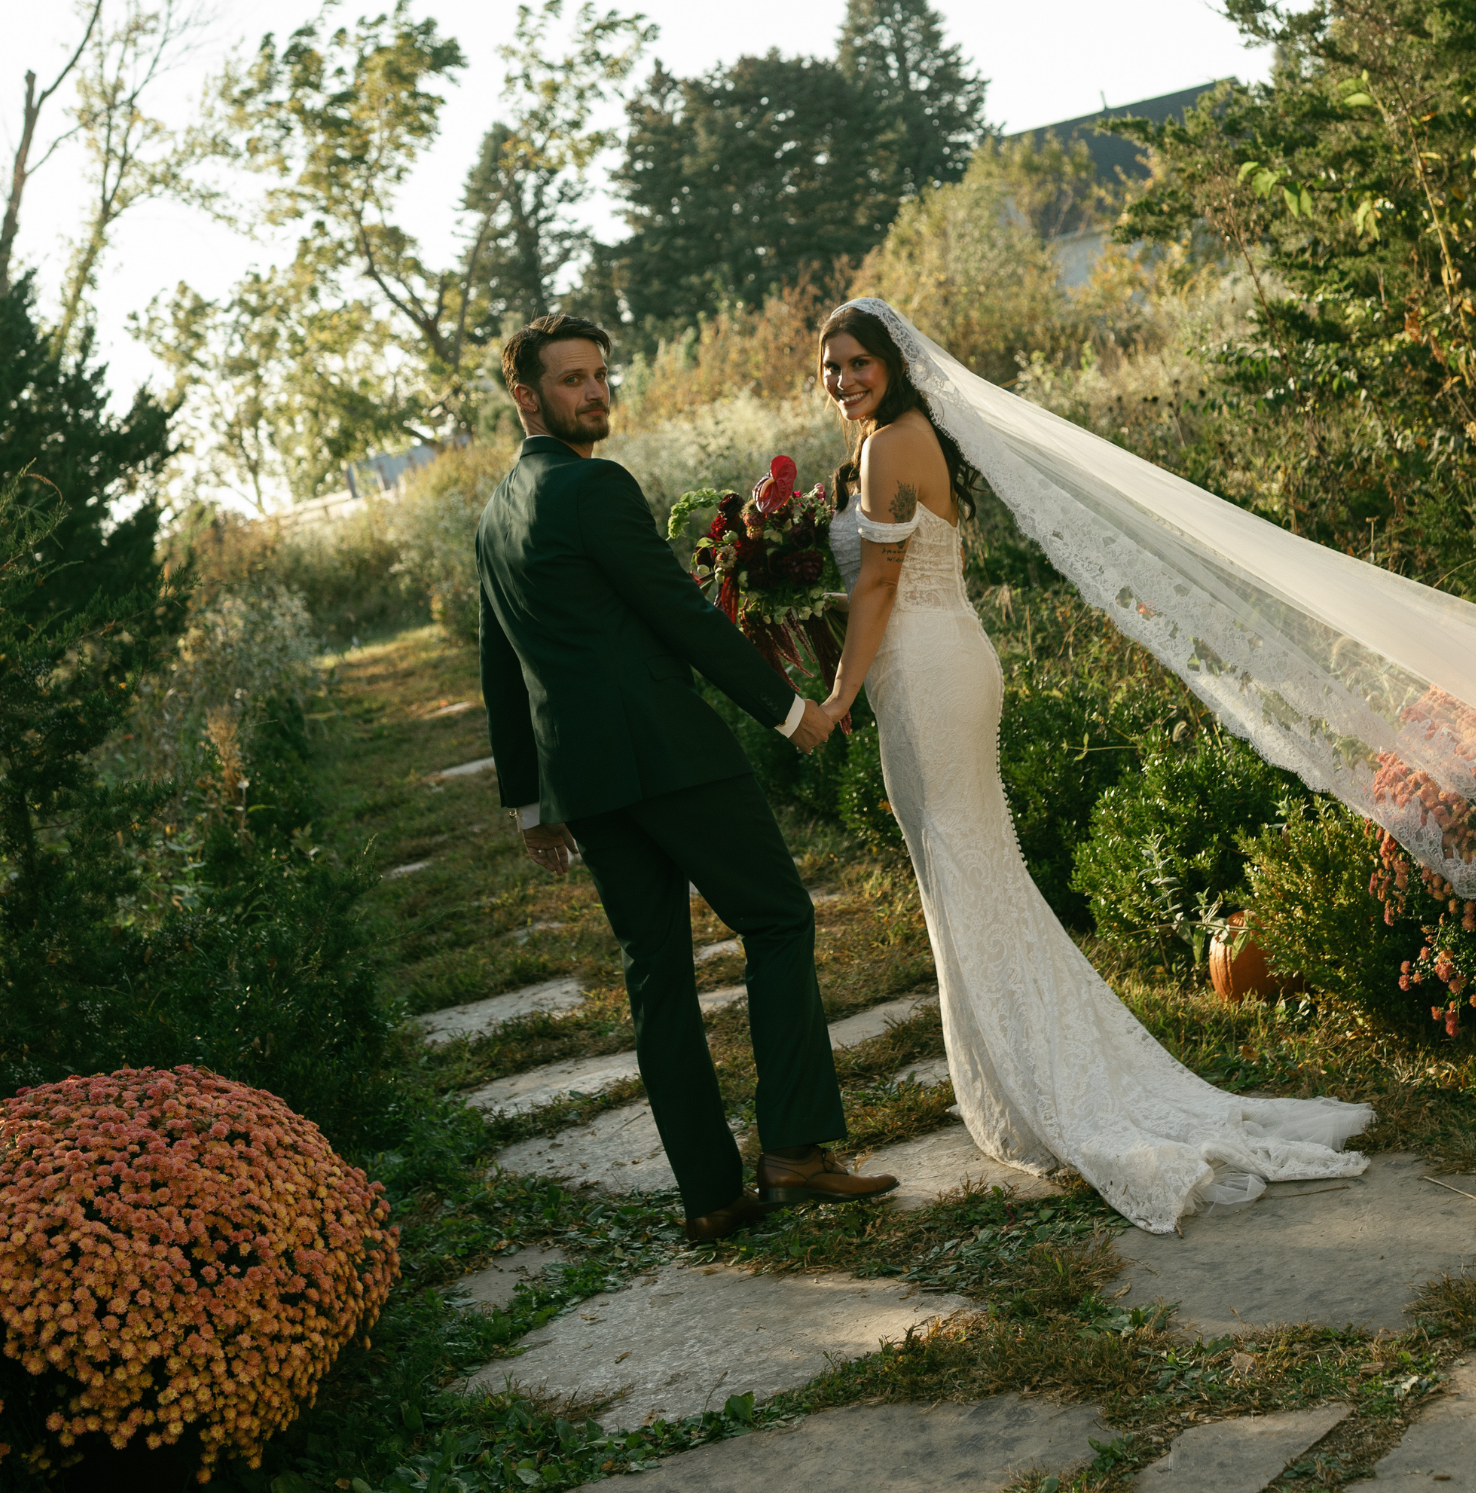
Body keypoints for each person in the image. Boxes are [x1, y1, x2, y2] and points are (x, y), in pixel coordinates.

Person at [816, 300, 1374, 1234]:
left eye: (858, 362)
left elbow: (875, 583)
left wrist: (836, 695)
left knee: (961, 873)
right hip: (947, 657)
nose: (843, 379)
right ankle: (1029, 1066)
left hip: (921, 674)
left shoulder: (886, 446)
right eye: (831, 366)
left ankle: (1053, 1089)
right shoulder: (905, 438)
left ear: (896, 364)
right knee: (975, 872)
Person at [476, 311, 899, 1243]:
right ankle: (793, 1150)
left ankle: (709, 1193)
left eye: (598, 374)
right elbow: (678, 615)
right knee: (780, 917)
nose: (593, 392)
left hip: (587, 782)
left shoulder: (497, 515)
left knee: (654, 975)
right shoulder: (594, 487)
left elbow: (501, 667)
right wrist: (793, 712)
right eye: (572, 379)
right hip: (668, 756)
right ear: (526, 395)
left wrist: (528, 801)